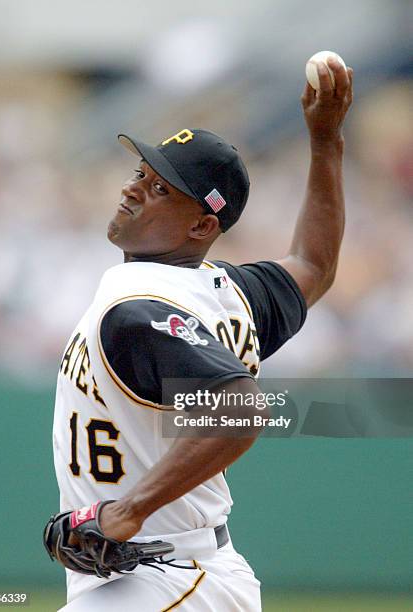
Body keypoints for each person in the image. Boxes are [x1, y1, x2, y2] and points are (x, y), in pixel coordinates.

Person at [46, 59, 353, 611]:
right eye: (141, 172)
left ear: (202, 226)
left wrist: (128, 510)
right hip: (177, 572)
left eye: (160, 188)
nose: (134, 188)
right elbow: (314, 264)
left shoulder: (141, 304)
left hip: (162, 574)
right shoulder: (223, 292)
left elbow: (241, 410)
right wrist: (326, 142)